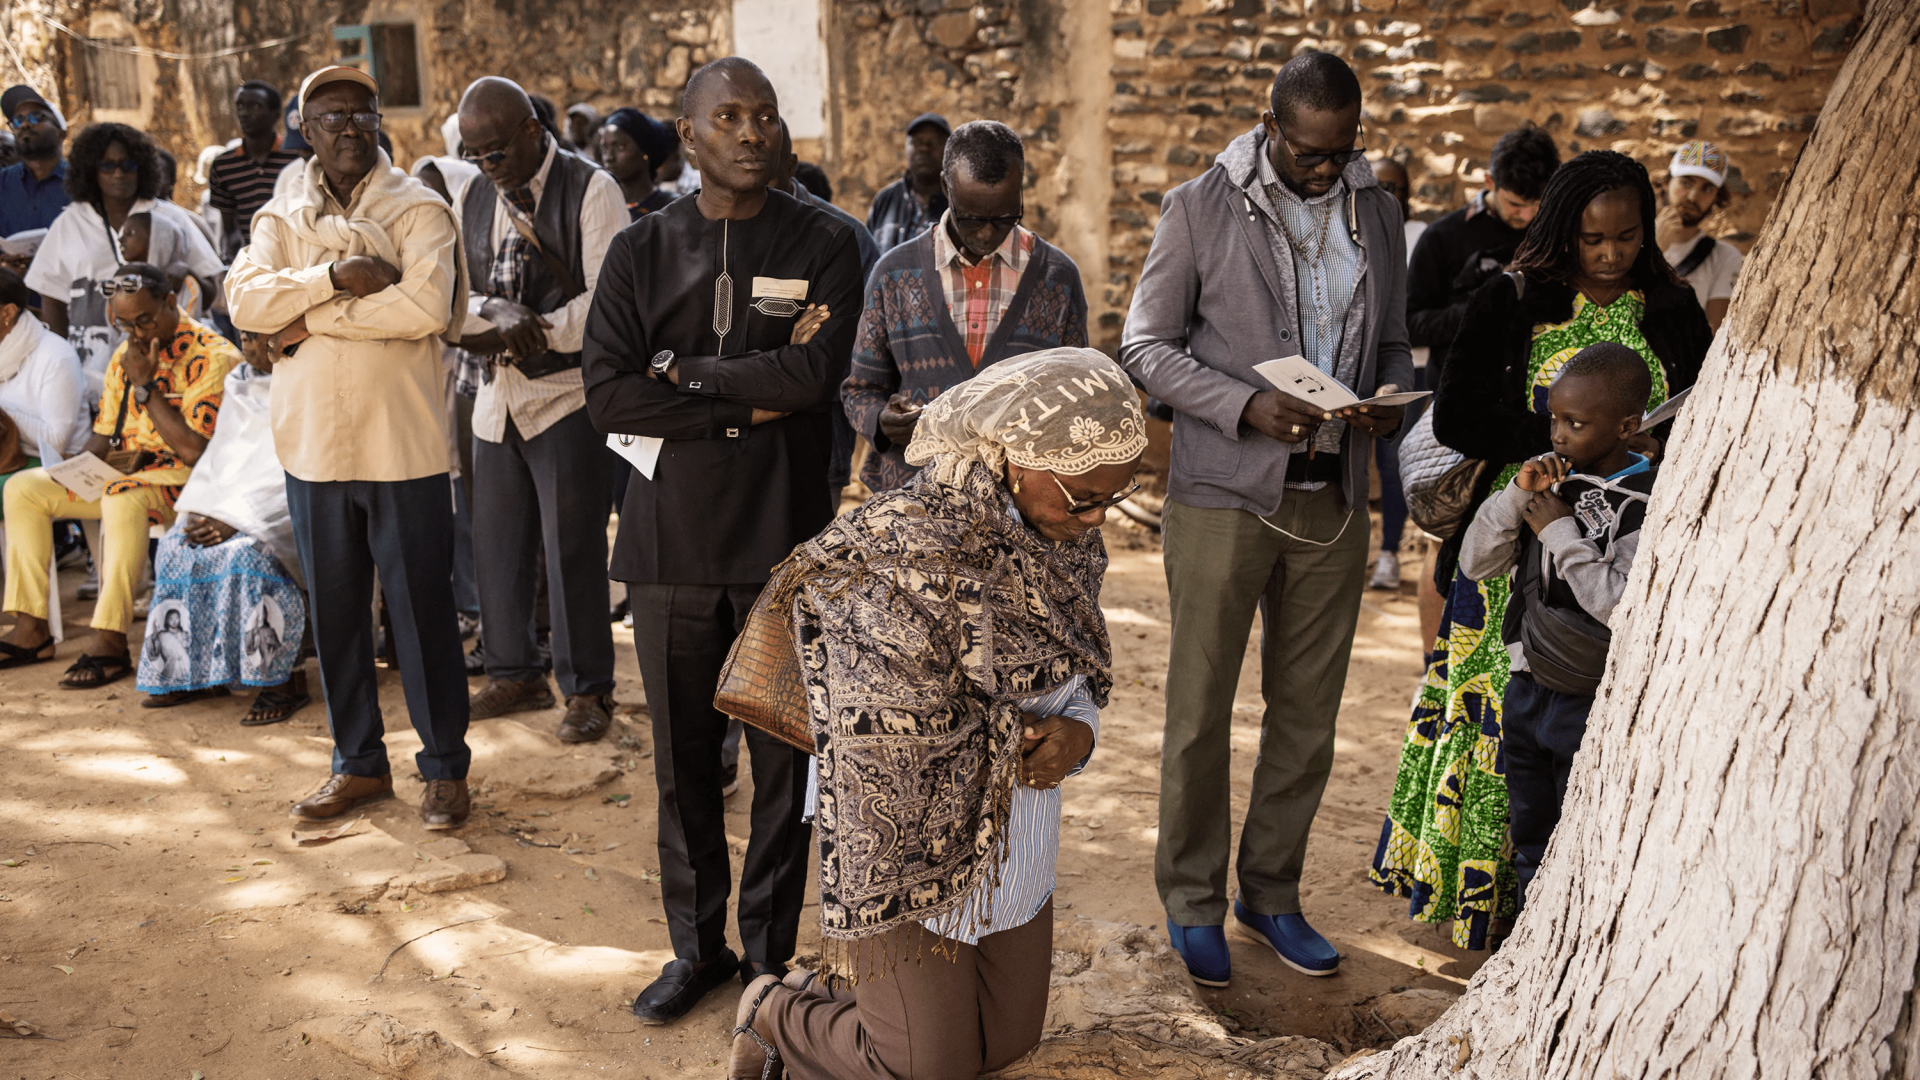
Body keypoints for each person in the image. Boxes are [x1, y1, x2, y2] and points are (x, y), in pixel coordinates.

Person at [727, 348, 1146, 1080]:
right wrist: (1017, 736)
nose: (1097, 517)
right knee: (930, 1069)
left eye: (1115, 496)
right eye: (1083, 495)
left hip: (1016, 832)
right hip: (903, 836)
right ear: (1014, 462)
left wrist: (1079, 735)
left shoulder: (1070, 545)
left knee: (1007, 1046)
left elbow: (1074, 676)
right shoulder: (898, 547)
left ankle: (844, 997)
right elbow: (879, 731)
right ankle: (776, 1014)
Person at [1119, 52, 1413, 985]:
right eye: (1311, 152)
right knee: (1200, 711)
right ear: (1270, 125)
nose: (1328, 170)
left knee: (1307, 716)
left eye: (1343, 151)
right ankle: (1193, 901)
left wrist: (1386, 395)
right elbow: (1145, 347)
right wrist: (1242, 406)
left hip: (1334, 496)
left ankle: (1271, 893)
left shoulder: (1381, 211)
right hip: (1222, 498)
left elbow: (1394, 337)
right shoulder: (1196, 207)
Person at [1369, 150, 1711, 949]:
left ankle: (1596, 912)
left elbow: (1702, 412)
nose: (1610, 255)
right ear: (1564, 230)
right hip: (1520, 543)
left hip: (1629, 550)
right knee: (1507, 728)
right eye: (1593, 239)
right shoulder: (1513, 300)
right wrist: (1566, 451)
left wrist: (1643, 456)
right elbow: (1457, 419)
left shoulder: (1670, 305)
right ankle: (1499, 906)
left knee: (1600, 724)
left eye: (1627, 237)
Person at [582, 56, 863, 1023]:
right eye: (729, 116)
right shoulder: (640, 251)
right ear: (689, 133)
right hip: (664, 549)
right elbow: (610, 393)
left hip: (786, 549)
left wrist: (684, 375)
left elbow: (814, 379)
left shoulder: (832, 242)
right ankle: (695, 950)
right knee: (683, 766)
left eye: (765, 116)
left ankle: (767, 961)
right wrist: (744, 395)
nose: (751, 131)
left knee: (785, 769)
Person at [227, 65, 473, 831]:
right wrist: (339, 275)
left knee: (422, 615)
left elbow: (425, 306)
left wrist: (303, 321)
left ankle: (443, 771)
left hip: (402, 447)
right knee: (336, 615)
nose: (347, 129)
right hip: (314, 450)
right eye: (330, 118)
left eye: (361, 115)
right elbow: (243, 298)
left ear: (379, 123)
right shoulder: (283, 210)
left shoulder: (418, 208)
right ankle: (358, 765)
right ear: (304, 128)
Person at [452, 76, 626, 742]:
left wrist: (538, 330)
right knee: (496, 544)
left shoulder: (591, 189)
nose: (489, 165)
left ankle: (587, 691)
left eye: (497, 151)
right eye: (477, 155)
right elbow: (455, 292)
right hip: (493, 395)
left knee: (572, 548)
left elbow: (610, 299)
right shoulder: (473, 194)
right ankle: (513, 671)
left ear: (532, 130)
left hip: (566, 395)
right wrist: (494, 313)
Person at [1454, 345, 1654, 907]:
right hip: (1527, 684)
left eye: (1576, 423)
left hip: (1589, 700)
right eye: (1554, 419)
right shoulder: (1548, 482)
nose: (1559, 435)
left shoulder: (1649, 502)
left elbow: (1623, 606)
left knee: (1576, 841)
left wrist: (1561, 534)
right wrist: (1516, 497)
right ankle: (1522, 950)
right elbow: (1476, 564)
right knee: (1530, 837)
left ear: (1627, 426)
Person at [0, 263, 238, 684]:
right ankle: (32, 627)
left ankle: (110, 639)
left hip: (184, 485)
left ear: (171, 302)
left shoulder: (214, 355)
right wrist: (73, 473)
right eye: (125, 323)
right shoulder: (123, 355)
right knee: (24, 488)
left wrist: (146, 387)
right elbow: (104, 436)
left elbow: (194, 452)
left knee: (122, 494)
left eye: (145, 320)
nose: (136, 333)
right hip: (125, 475)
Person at [845, 120, 1090, 494]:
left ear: (1021, 188)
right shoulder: (893, 274)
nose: (988, 234)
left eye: (1006, 217)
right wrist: (880, 421)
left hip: (1021, 507)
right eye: (972, 217)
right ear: (947, 187)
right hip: (915, 502)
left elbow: (1077, 395)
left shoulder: (1058, 278)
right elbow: (860, 390)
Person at [135, 347, 311, 724]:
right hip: (234, 507)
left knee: (249, 555)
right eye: (244, 336)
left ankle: (283, 682)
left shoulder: (309, 381)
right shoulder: (240, 383)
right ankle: (191, 673)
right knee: (175, 546)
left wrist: (237, 519)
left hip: (286, 514)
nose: (250, 346)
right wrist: (204, 508)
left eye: (260, 336)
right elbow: (220, 462)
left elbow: (302, 470)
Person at [24, 122, 224, 403]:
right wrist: (63, 361)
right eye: (107, 166)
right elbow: (52, 299)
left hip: (170, 367)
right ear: (91, 170)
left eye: (128, 165)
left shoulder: (170, 218)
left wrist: (184, 272)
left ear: (141, 168)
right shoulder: (70, 223)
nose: (119, 174)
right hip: (91, 371)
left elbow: (211, 289)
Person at [770, 119, 878, 507]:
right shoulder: (715, 230)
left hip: (821, 422)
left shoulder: (843, 236)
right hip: (737, 424)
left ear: (790, 164)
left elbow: (868, 337)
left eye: (767, 162)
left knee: (812, 544)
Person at [1405, 125, 1559, 390]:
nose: (1528, 216)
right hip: (1459, 395)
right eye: (1516, 204)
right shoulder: (1442, 237)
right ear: (1490, 182)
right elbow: (1410, 327)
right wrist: (1478, 309)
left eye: (1538, 204)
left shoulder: (1553, 232)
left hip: (1540, 392)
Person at [1367, 155, 1418, 592]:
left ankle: (1391, 552)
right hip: (1361, 366)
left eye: (1396, 187)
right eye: (1380, 186)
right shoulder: (1357, 233)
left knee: (1396, 461)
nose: (1388, 196)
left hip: (1409, 366)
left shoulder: (1420, 237)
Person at [0, 268, 88, 488]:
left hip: (49, 464)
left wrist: (3, 413)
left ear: (7, 313)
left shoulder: (56, 356)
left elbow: (55, 442)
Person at [208, 81, 304, 262]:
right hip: (252, 260)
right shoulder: (223, 166)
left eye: (256, 106)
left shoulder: (296, 158)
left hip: (295, 255)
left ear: (275, 114)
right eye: (240, 106)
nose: (244, 113)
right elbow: (230, 229)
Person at [1656, 140, 1744, 333]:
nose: (1693, 196)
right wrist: (1655, 249)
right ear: (1666, 183)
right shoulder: (1627, 241)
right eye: (1686, 183)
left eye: (1707, 188)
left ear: (1716, 197)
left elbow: (1712, 334)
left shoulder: (1723, 257)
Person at [0, 86, 71, 261]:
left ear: (61, 133)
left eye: (37, 117)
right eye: (17, 120)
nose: (25, 124)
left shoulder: (84, 183)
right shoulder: (2, 183)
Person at [865, 112, 950, 252]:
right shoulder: (885, 201)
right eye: (917, 142)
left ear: (948, 149)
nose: (924, 148)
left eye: (933, 142)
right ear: (906, 147)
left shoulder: (957, 203)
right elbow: (867, 259)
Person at [598, 107, 677, 219]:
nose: (609, 157)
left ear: (645, 151)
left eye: (620, 147)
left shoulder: (670, 209)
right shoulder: (598, 206)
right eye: (604, 149)